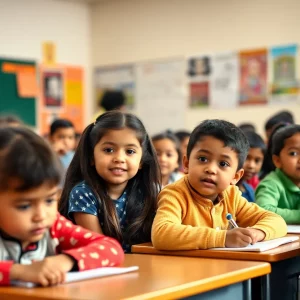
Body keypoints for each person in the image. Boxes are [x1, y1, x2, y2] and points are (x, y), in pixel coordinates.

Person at [0, 126, 124, 286]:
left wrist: (65, 260)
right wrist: (19, 272)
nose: (41, 216)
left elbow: (112, 248)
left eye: (49, 201)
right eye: (24, 206)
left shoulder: (53, 226)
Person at [151, 119, 287, 250]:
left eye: (223, 164)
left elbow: (276, 221)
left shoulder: (231, 196)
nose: (211, 169)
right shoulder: (175, 194)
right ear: (186, 164)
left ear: (235, 176)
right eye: (203, 159)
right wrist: (222, 238)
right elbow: (162, 233)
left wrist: (256, 232)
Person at [59, 111, 160, 252]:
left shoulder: (151, 191)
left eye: (130, 151)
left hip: (144, 265)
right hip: (103, 265)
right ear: (91, 157)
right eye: (108, 150)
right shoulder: (83, 193)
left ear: (142, 160)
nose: (119, 158)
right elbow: (99, 247)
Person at [256, 125, 300, 224]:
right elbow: (263, 210)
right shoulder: (270, 184)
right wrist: (298, 215)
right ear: (277, 160)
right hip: (276, 237)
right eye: (293, 153)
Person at [237, 131, 266, 201]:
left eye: (257, 161)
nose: (251, 166)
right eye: (247, 158)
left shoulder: (249, 190)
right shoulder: (225, 190)